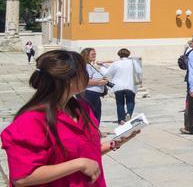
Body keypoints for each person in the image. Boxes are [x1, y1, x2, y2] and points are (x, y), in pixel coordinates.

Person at [1, 50, 127, 186]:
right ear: (66, 79)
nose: (86, 76)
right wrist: (79, 164)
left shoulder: (82, 108)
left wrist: (114, 143)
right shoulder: (31, 121)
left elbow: (85, 151)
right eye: (83, 72)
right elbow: (22, 177)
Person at [105, 49, 142, 124]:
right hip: (130, 85)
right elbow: (139, 72)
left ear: (119, 55)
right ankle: (128, 114)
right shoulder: (133, 62)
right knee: (130, 101)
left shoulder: (115, 63)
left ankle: (121, 119)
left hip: (118, 86)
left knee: (119, 103)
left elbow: (107, 73)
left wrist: (103, 66)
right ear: (128, 54)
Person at [80, 48, 110, 125]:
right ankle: (92, 132)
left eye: (95, 54)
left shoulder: (89, 65)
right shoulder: (86, 66)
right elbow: (85, 81)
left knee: (96, 114)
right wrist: (101, 82)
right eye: (92, 54)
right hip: (90, 94)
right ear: (86, 55)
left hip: (94, 94)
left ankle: (95, 131)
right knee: (92, 114)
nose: (94, 56)